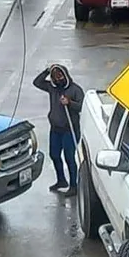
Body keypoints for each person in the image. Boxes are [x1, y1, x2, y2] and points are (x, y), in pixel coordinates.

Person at [32, 64, 83, 195]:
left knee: (69, 157)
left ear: (65, 75)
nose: (57, 79)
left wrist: (69, 103)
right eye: (54, 76)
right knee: (54, 155)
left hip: (69, 130)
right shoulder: (52, 88)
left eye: (60, 75)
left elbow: (81, 106)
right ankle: (61, 180)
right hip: (55, 129)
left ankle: (73, 185)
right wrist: (47, 71)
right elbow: (37, 82)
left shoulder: (75, 90)